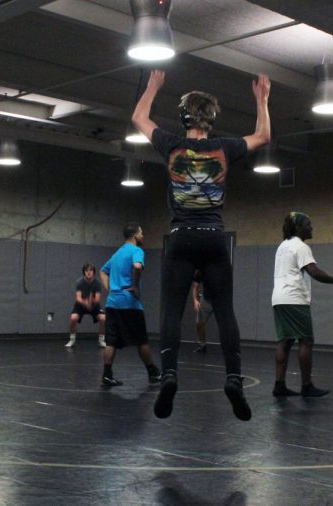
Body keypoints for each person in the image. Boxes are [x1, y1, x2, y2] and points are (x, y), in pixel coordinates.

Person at [132, 69, 271, 421]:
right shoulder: (224, 148)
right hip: (215, 239)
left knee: (171, 311)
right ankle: (234, 379)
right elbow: (263, 136)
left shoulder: (171, 145)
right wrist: (261, 99)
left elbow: (138, 118)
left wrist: (153, 86)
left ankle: (169, 375)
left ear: (184, 118)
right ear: (211, 120)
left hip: (180, 238)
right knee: (224, 311)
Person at [272, 212, 333, 398]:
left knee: (285, 341)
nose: (312, 227)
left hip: (279, 299)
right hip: (294, 299)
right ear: (299, 227)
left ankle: (279, 385)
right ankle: (306, 386)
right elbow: (314, 272)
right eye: (308, 224)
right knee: (306, 341)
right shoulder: (301, 246)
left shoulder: (283, 246)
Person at [98, 223, 161, 387]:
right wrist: (134, 285)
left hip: (113, 303)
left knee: (110, 341)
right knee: (142, 340)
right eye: (141, 233)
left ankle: (106, 375)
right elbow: (137, 266)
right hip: (130, 303)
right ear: (135, 235)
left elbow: (103, 271)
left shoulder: (117, 253)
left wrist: (110, 289)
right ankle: (153, 372)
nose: (143, 236)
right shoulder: (137, 251)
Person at [64, 263, 106, 348]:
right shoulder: (79, 282)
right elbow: (78, 298)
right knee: (73, 318)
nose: (89, 272)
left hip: (94, 305)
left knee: (103, 319)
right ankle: (72, 340)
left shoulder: (97, 283)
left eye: (90, 270)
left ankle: (101, 341)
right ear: (84, 272)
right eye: (86, 270)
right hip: (81, 305)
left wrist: (91, 302)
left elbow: (98, 299)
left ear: (93, 272)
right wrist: (85, 302)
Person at [191, 270, 213, 353]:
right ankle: (203, 345)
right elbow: (195, 288)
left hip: (219, 300)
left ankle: (228, 348)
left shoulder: (220, 267)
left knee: (225, 325)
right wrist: (195, 300)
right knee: (199, 323)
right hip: (206, 299)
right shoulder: (201, 270)